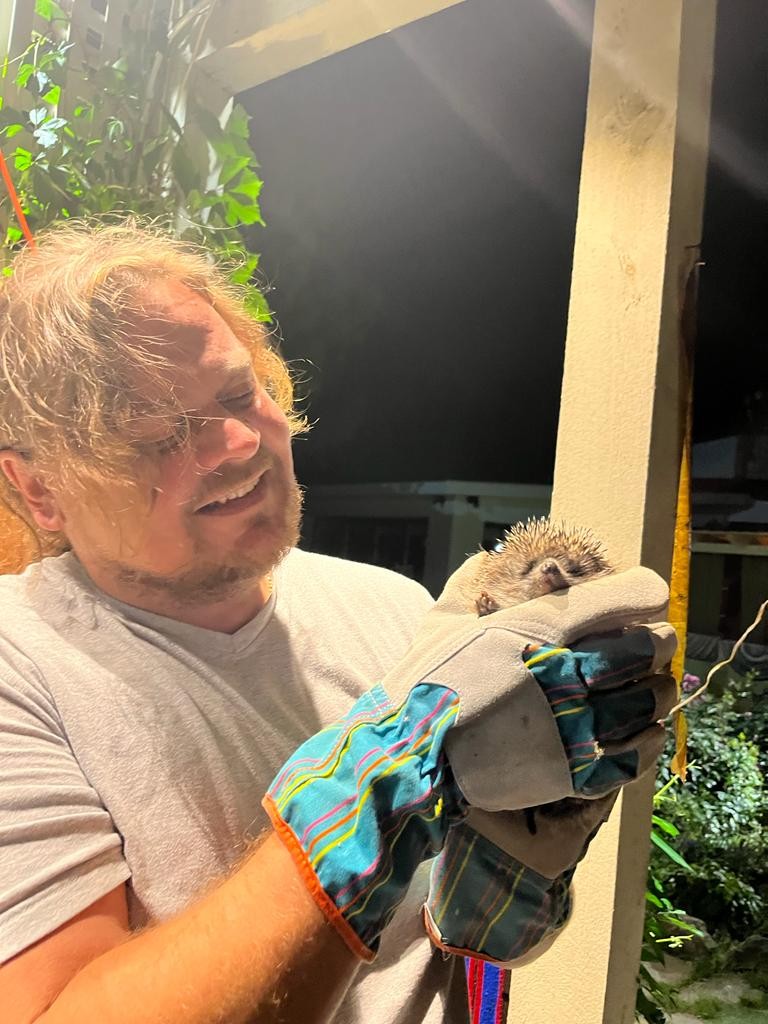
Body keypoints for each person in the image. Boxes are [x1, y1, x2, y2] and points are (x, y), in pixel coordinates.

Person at [0, 222, 676, 1024]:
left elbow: (447, 952)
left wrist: (512, 873)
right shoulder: (23, 666)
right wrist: (379, 781)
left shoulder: (399, 609)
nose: (239, 444)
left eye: (237, 395)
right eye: (159, 434)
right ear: (40, 490)